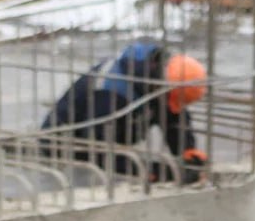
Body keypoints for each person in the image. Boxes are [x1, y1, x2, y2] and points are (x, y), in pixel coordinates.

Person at [40, 40, 209, 184]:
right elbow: (98, 151)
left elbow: (173, 116)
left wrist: (187, 150)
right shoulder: (110, 92)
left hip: (109, 137)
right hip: (68, 149)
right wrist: (156, 171)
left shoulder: (160, 77)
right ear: (161, 86)